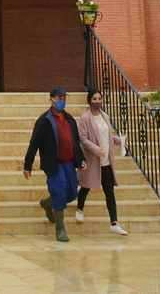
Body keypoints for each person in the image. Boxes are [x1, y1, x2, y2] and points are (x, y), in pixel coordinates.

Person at [22, 87, 86, 243]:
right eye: (59, 98)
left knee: (71, 193)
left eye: (64, 98)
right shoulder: (44, 121)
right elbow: (34, 143)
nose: (62, 101)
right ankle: (60, 229)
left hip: (69, 163)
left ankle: (46, 203)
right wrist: (27, 165)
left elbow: (75, 142)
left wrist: (81, 159)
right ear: (51, 100)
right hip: (54, 164)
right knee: (59, 192)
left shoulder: (70, 119)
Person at [77, 90, 128, 235]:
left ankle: (114, 222)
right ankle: (80, 209)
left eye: (100, 98)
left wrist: (120, 141)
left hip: (106, 160)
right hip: (93, 159)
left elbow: (107, 136)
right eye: (95, 99)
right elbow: (83, 139)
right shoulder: (85, 118)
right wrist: (96, 149)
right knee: (86, 186)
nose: (98, 101)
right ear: (89, 101)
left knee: (109, 191)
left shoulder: (105, 116)